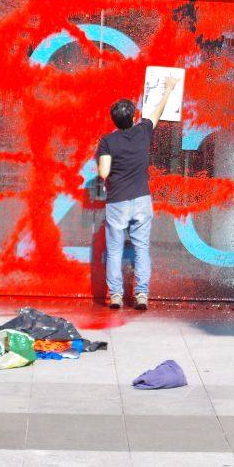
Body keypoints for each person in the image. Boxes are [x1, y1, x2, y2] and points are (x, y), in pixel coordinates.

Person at [97, 77, 179, 310]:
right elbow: (156, 112)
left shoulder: (107, 141)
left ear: (114, 120)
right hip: (141, 200)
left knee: (114, 250)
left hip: (118, 202)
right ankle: (142, 294)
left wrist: (109, 170)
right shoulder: (143, 132)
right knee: (141, 248)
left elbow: (104, 172)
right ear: (133, 118)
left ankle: (116, 296)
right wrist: (169, 89)